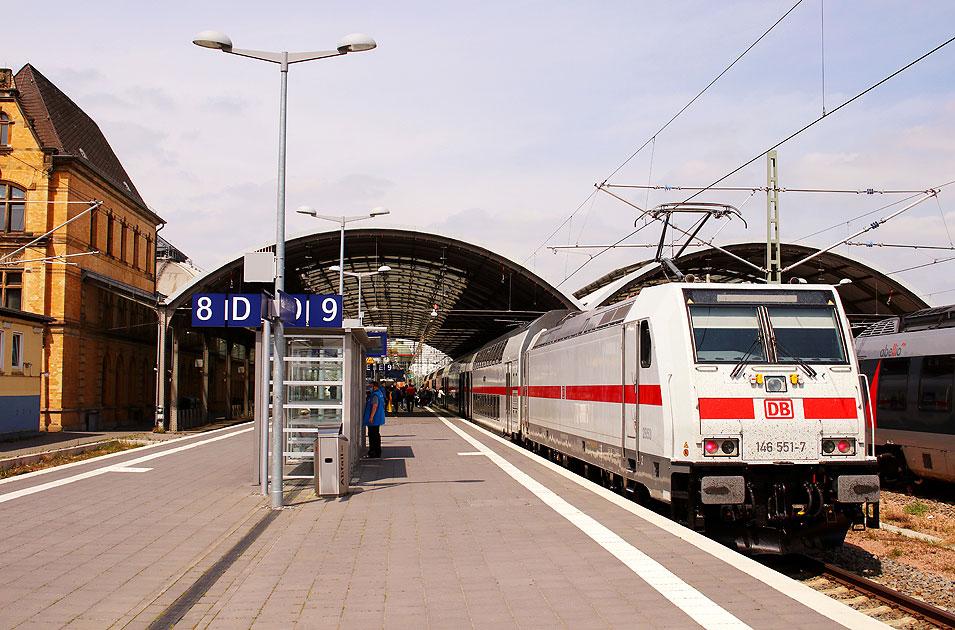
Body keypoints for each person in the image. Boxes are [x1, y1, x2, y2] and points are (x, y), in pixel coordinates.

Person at [363, 381, 386, 458]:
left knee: (373, 435)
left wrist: (371, 417)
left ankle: (373, 451)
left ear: (375, 387)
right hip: (378, 418)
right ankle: (377, 451)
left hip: (374, 419)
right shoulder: (380, 394)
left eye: (371, 386)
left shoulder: (375, 395)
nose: (369, 388)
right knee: (376, 434)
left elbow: (374, 406)